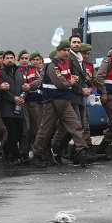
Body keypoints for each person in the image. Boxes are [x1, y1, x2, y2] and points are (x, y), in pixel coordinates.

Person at [31, 40, 101, 168]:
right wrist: (72, 81)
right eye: (64, 50)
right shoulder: (53, 66)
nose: (66, 52)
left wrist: (72, 80)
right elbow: (61, 83)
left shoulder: (66, 64)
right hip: (52, 101)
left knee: (76, 126)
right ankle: (36, 154)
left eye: (68, 50)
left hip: (65, 101)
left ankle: (83, 152)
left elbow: (67, 80)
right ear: (58, 50)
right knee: (45, 129)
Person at [0, 51, 25, 166]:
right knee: (12, 132)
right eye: (7, 58)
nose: (9, 60)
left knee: (20, 131)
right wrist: (12, 98)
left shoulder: (19, 74)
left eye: (11, 58)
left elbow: (22, 89)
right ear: (4, 60)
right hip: (6, 107)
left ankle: (6, 147)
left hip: (18, 107)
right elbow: (1, 92)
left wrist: (22, 98)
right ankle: (14, 157)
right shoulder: (0, 73)